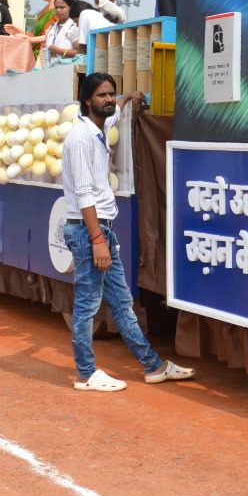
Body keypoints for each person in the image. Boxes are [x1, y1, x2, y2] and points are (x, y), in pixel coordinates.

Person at [62, 73, 194, 392]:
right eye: (102, 95)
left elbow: (115, 112)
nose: (108, 100)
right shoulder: (80, 139)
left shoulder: (100, 127)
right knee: (87, 305)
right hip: (88, 232)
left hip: (101, 231)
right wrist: (97, 241)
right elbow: (84, 195)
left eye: (111, 94)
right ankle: (86, 374)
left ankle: (153, 366)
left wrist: (128, 98)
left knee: (122, 303)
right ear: (86, 100)